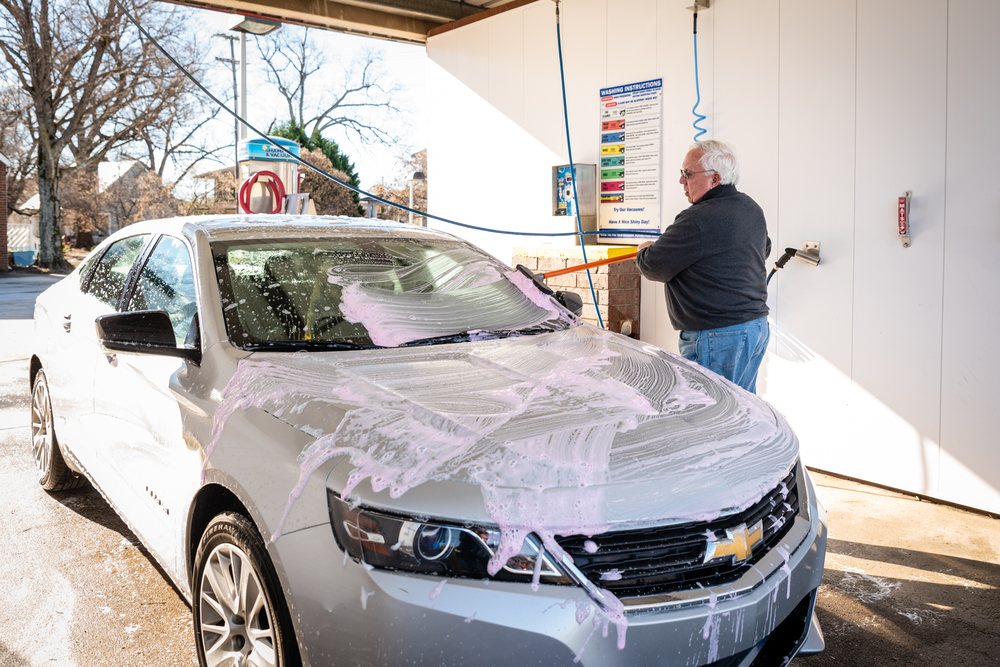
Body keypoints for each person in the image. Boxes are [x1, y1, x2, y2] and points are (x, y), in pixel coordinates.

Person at [635, 140, 771, 393]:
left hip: (717, 336)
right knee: (741, 410)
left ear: (715, 178)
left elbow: (654, 266)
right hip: (754, 328)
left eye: (687, 174)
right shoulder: (751, 208)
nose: (681, 181)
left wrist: (644, 249)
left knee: (710, 415)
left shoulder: (697, 219)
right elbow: (764, 250)